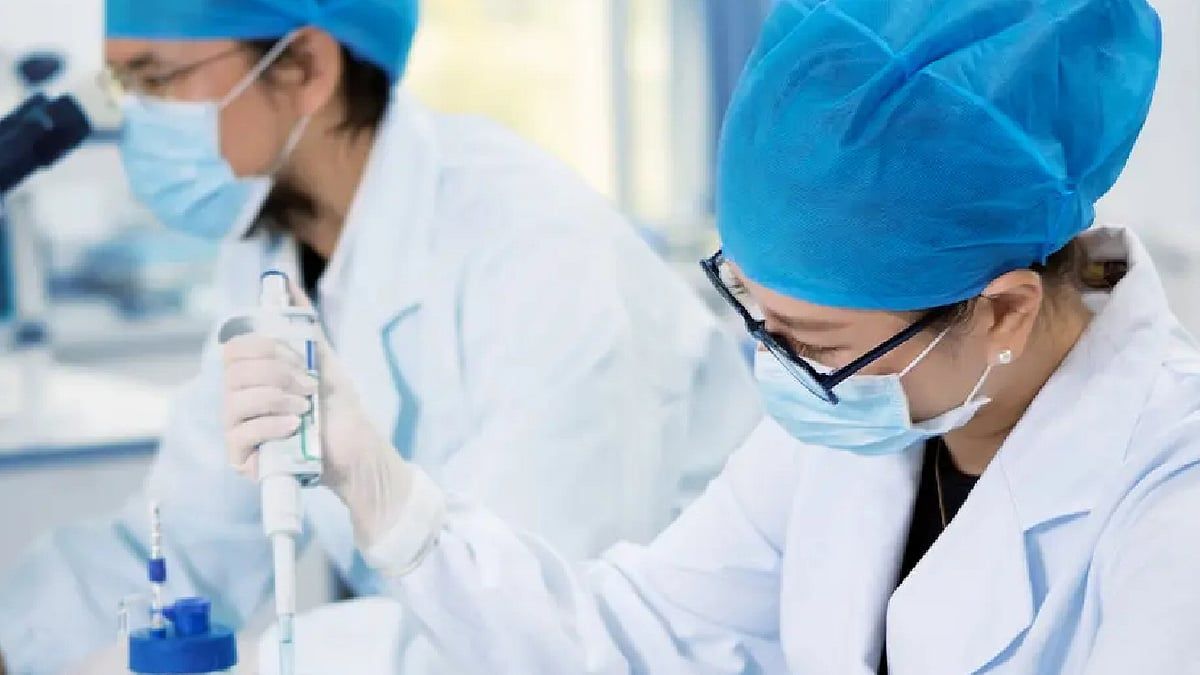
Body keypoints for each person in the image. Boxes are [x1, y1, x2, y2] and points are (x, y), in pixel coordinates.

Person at [214, 0, 1200, 673]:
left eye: (814, 340)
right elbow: (631, 638)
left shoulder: (1169, 501)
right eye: (757, 316)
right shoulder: (860, 420)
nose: (781, 369)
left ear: (1004, 311)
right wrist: (392, 503)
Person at [0, 1, 764, 673]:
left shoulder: (540, 251)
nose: (135, 120)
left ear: (305, 65)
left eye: (157, 80)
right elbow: (190, 540)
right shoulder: (270, 253)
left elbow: (530, 626)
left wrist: (262, 663)